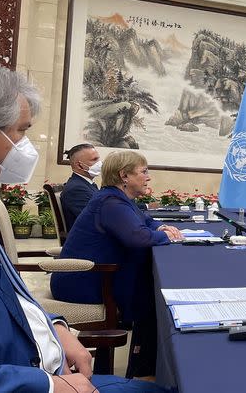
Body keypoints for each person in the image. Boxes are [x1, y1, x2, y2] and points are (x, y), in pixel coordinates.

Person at [0, 62, 165, 392]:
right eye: (21, 131)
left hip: (46, 361)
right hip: (30, 378)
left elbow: (10, 291)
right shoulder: (107, 200)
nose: (25, 145)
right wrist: (48, 386)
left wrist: (58, 327)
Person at [52, 150, 183, 378]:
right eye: (143, 172)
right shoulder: (111, 202)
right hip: (81, 281)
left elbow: (144, 222)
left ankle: (144, 364)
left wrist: (160, 228)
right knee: (152, 292)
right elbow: (138, 237)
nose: (148, 177)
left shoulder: (117, 198)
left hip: (92, 275)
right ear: (124, 176)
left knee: (149, 284)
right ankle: (145, 368)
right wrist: (168, 236)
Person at [61, 143, 101, 230]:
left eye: (98, 159)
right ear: (79, 165)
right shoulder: (76, 189)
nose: (99, 163)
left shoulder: (86, 184)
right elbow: (95, 221)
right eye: (94, 160)